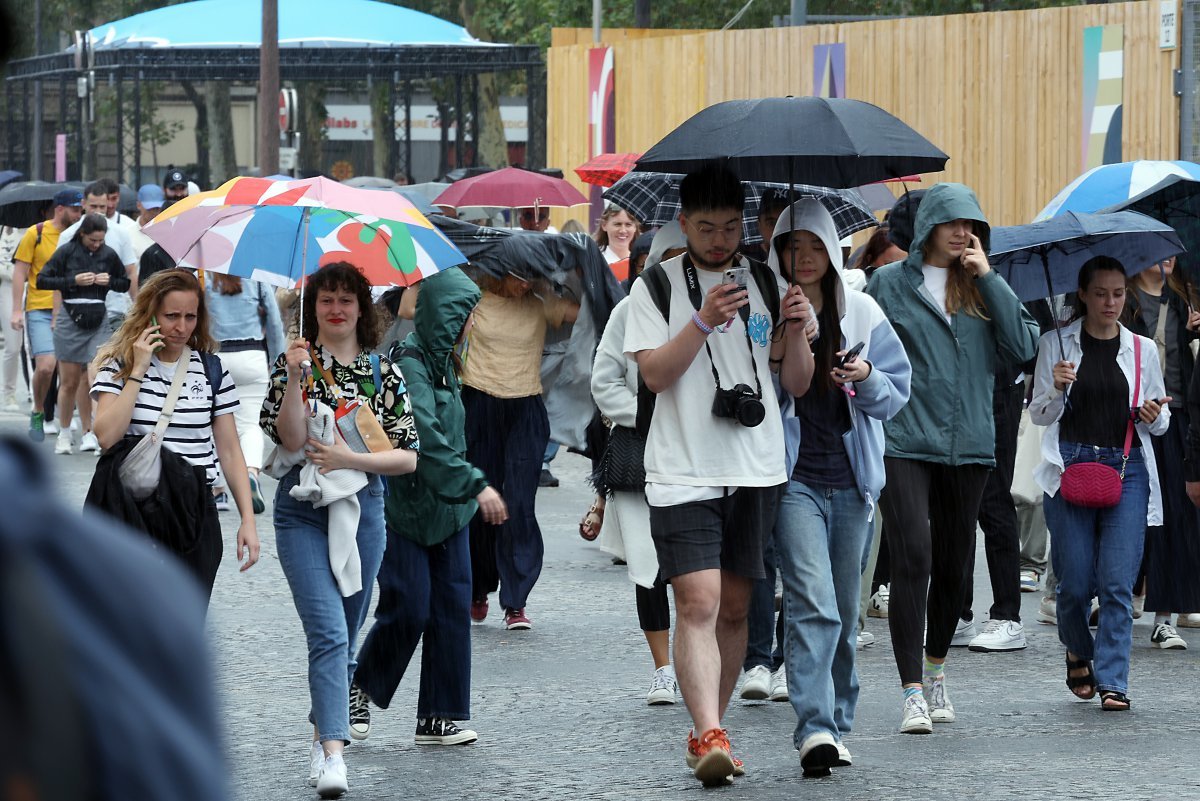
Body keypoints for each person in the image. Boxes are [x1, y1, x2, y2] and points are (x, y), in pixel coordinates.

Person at [624, 163, 814, 786]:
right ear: (682, 222)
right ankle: (707, 729)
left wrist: (797, 328)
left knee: (736, 606)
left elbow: (792, 384)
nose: (719, 240)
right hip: (680, 466)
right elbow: (652, 375)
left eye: (731, 227)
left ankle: (713, 730)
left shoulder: (765, 278)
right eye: (706, 228)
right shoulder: (654, 287)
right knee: (698, 600)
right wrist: (702, 319)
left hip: (755, 466)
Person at [866, 182, 1038, 734]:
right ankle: (912, 689)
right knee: (913, 554)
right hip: (905, 438)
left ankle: (937, 669)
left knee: (954, 566)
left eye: (973, 226)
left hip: (969, 445)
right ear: (929, 227)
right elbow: (865, 343)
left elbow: (1025, 347)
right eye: (954, 223)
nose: (964, 233)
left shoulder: (985, 288)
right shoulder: (889, 284)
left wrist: (988, 277)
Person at [259, 262, 419, 797]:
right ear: (313, 307)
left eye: (346, 300)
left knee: (345, 639)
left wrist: (350, 457)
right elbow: (286, 439)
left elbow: (407, 459)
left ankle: (319, 730)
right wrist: (298, 379)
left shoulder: (383, 372)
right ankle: (334, 753)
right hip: (300, 509)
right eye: (325, 299)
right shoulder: (293, 364)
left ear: (362, 308)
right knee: (327, 632)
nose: (335, 309)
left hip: (364, 508)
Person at [765, 199, 912, 774]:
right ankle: (815, 728)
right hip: (793, 478)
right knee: (812, 603)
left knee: (846, 614)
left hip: (853, 483)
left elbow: (895, 394)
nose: (802, 259)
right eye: (791, 248)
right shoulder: (766, 309)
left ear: (831, 251)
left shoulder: (866, 313)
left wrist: (866, 376)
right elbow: (772, 391)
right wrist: (788, 331)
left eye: (813, 247)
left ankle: (839, 720)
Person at [351, 267, 506, 748]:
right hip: (404, 507)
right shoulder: (409, 365)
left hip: (447, 510)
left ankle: (440, 716)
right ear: (445, 316)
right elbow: (426, 441)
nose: (472, 325)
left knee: (451, 610)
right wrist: (476, 486)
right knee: (409, 608)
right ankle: (357, 687)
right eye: (467, 315)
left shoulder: (443, 360)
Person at [1031, 255, 1169, 711]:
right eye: (1101, 293)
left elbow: (1160, 419)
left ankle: (1113, 680)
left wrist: (1154, 413)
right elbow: (1039, 415)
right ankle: (1076, 648)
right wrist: (1055, 387)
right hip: (1069, 465)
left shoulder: (1142, 348)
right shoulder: (1057, 343)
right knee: (1072, 584)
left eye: (1118, 293)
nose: (1110, 302)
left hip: (1125, 470)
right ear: (1084, 296)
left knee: (1116, 583)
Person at [91, 268, 260, 597]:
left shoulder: (212, 368)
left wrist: (248, 520)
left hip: (195, 512)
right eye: (171, 316)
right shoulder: (118, 364)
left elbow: (229, 450)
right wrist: (138, 370)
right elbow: (106, 436)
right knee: (134, 626)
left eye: (190, 316)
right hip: (134, 511)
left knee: (185, 628)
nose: (181, 327)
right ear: (150, 314)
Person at [462, 271, 578, 630]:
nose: (524, 282)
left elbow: (583, 312)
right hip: (478, 404)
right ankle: (477, 588)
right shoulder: (473, 297)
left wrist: (553, 284)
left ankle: (516, 600)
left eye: (530, 275)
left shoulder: (540, 301)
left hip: (525, 407)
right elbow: (411, 309)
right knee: (481, 501)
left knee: (519, 504)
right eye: (519, 275)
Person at [591, 293, 679, 705]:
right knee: (649, 568)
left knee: (699, 570)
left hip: (701, 454)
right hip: (639, 452)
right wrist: (648, 416)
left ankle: (704, 662)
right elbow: (603, 381)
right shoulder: (628, 311)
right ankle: (663, 669)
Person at [1122, 256, 1200, 649]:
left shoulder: (1182, 301)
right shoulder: (1125, 300)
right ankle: (1117, 595)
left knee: (1175, 515)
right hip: (1134, 421)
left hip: (1178, 416)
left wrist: (1190, 334)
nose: (1167, 257)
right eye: (1157, 250)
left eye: (1171, 250)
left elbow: (1185, 363)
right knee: (1130, 512)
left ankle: (1165, 615)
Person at [36, 214, 129, 456]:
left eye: (100, 240)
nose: (96, 244)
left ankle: (96, 434)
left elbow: (124, 282)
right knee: (69, 382)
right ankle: (64, 433)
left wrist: (110, 281)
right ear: (82, 234)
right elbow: (42, 280)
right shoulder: (66, 251)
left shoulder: (108, 254)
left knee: (97, 377)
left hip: (98, 317)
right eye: (92, 240)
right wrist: (72, 281)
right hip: (70, 315)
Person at [205, 272, 287, 513]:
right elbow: (273, 322)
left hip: (217, 355)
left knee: (214, 424)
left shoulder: (204, 276)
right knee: (250, 424)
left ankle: (218, 490)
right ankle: (251, 472)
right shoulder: (257, 278)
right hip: (252, 356)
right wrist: (277, 360)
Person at [11, 189, 82, 441]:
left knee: (70, 371)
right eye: (74, 209)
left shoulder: (80, 234)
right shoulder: (36, 233)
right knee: (45, 367)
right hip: (38, 308)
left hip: (70, 308)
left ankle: (63, 416)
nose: (79, 214)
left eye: (81, 209)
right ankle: (38, 409)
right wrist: (17, 310)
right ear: (59, 209)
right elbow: (20, 272)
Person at [0, 224, 26, 411]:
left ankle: (13, 394)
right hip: (5, 286)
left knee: (20, 345)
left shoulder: (30, 231)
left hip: (22, 286)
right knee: (12, 344)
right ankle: (8, 393)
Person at [595, 204, 641, 279]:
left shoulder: (640, 262)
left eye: (628, 224)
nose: (623, 230)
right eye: (617, 224)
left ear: (635, 227)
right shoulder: (594, 261)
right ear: (604, 225)